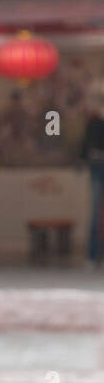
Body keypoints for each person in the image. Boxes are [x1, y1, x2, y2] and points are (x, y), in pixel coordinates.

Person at [81, 91, 104, 268]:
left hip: (96, 166)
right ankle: (91, 254)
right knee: (95, 213)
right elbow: (86, 146)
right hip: (97, 168)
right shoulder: (94, 122)